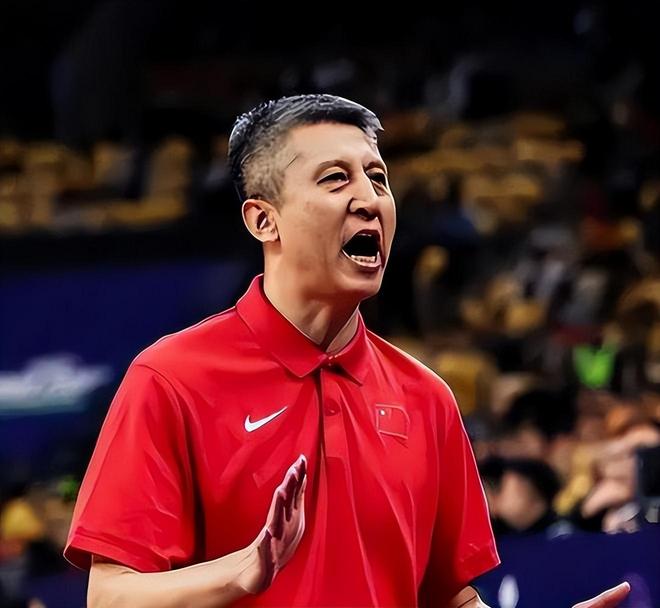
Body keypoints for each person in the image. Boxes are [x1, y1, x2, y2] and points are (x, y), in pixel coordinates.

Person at [64, 94, 630, 607]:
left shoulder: (426, 398)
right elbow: (111, 598)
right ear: (264, 220)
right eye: (336, 179)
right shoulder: (171, 379)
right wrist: (242, 571)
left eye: (378, 178)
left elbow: (448, 598)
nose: (370, 200)